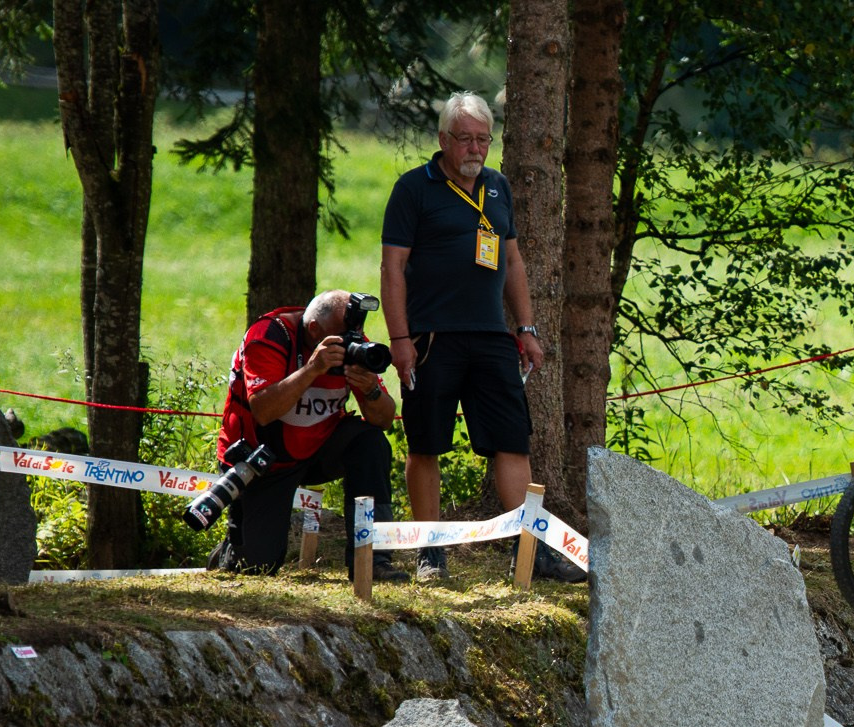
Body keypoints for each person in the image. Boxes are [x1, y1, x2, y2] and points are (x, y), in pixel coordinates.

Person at [380, 90, 583, 583]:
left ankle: (527, 551)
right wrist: (400, 338)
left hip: (492, 336)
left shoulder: (497, 187)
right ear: (444, 140)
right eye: (465, 139)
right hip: (431, 338)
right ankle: (431, 552)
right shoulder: (413, 189)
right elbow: (393, 267)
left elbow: (511, 260)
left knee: (512, 442)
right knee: (426, 444)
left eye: (482, 140)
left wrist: (526, 327)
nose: (475, 149)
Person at [211, 289, 405, 580]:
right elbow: (263, 410)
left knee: (371, 443)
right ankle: (231, 547)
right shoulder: (269, 335)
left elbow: (385, 419)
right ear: (314, 329)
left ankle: (372, 561)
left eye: (354, 334)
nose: (349, 343)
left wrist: (370, 389)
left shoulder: (352, 345)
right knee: (256, 567)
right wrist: (314, 368)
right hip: (262, 460)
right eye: (340, 337)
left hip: (318, 448)